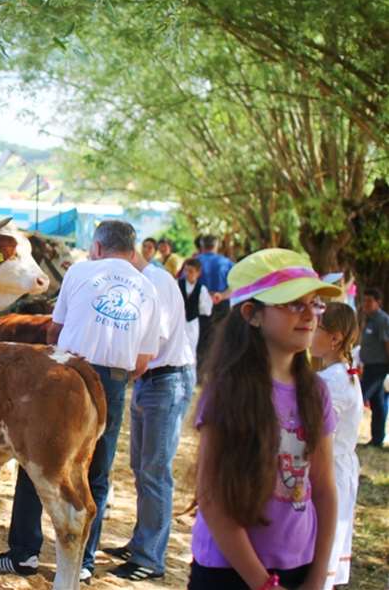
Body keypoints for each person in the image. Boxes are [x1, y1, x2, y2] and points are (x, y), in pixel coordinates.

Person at [0, 220, 161, 583]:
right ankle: (84, 561)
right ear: (132, 252)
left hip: (63, 378)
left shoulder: (81, 271)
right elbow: (144, 360)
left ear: (96, 248)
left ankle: (24, 554)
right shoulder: (148, 287)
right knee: (96, 470)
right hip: (111, 383)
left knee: (35, 460)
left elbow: (54, 330)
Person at [189, 248, 340, 590]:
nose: (309, 315)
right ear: (252, 314)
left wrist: (317, 576)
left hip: (299, 568)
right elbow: (212, 499)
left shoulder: (317, 392)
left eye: (314, 303)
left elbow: (325, 489)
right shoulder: (225, 393)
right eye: (292, 304)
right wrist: (263, 584)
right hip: (229, 571)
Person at [103, 246, 195, 581]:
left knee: (155, 471)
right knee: (142, 468)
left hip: (165, 380)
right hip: (152, 381)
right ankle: (142, 542)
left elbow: (150, 342)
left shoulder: (155, 282)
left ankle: (150, 557)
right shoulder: (145, 279)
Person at [311, 302, 363, 589]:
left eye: (318, 327)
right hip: (337, 470)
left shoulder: (331, 382)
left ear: (335, 338)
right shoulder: (340, 374)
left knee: (319, 555)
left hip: (329, 473)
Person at [195, 234, 234, 369]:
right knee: (220, 337)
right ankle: (217, 369)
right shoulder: (227, 262)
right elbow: (235, 286)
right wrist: (221, 295)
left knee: (199, 337)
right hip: (221, 302)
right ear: (216, 245)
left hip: (198, 304)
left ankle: (200, 371)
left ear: (202, 245)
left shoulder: (194, 262)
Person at [359, 288, 389, 447]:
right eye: (365, 300)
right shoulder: (369, 319)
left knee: (359, 397)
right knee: (377, 403)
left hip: (379, 366)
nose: (366, 304)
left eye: (370, 301)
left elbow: (387, 343)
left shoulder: (382, 320)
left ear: (378, 302)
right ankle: (377, 439)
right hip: (369, 365)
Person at [180, 257, 214, 366]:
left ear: (198, 273)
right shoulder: (177, 284)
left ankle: (190, 377)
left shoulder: (201, 289)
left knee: (191, 349)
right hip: (178, 322)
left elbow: (206, 310)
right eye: (186, 270)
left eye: (191, 271)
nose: (187, 274)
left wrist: (193, 308)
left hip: (192, 323)